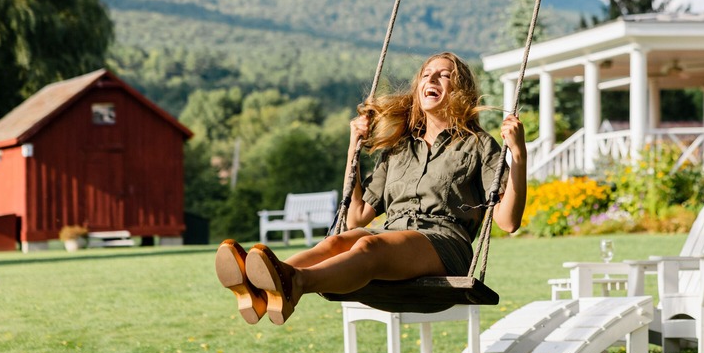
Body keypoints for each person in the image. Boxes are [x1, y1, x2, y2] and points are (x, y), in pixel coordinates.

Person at [214, 52, 527, 325]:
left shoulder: (477, 144)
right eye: (426, 74)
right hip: (393, 238)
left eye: (444, 75)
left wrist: (519, 155)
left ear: (459, 90)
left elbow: (507, 222)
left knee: (367, 247)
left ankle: (295, 282)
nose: (432, 78)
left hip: (443, 244)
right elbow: (357, 217)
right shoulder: (399, 148)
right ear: (418, 86)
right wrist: (353, 149)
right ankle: (259, 289)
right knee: (338, 242)